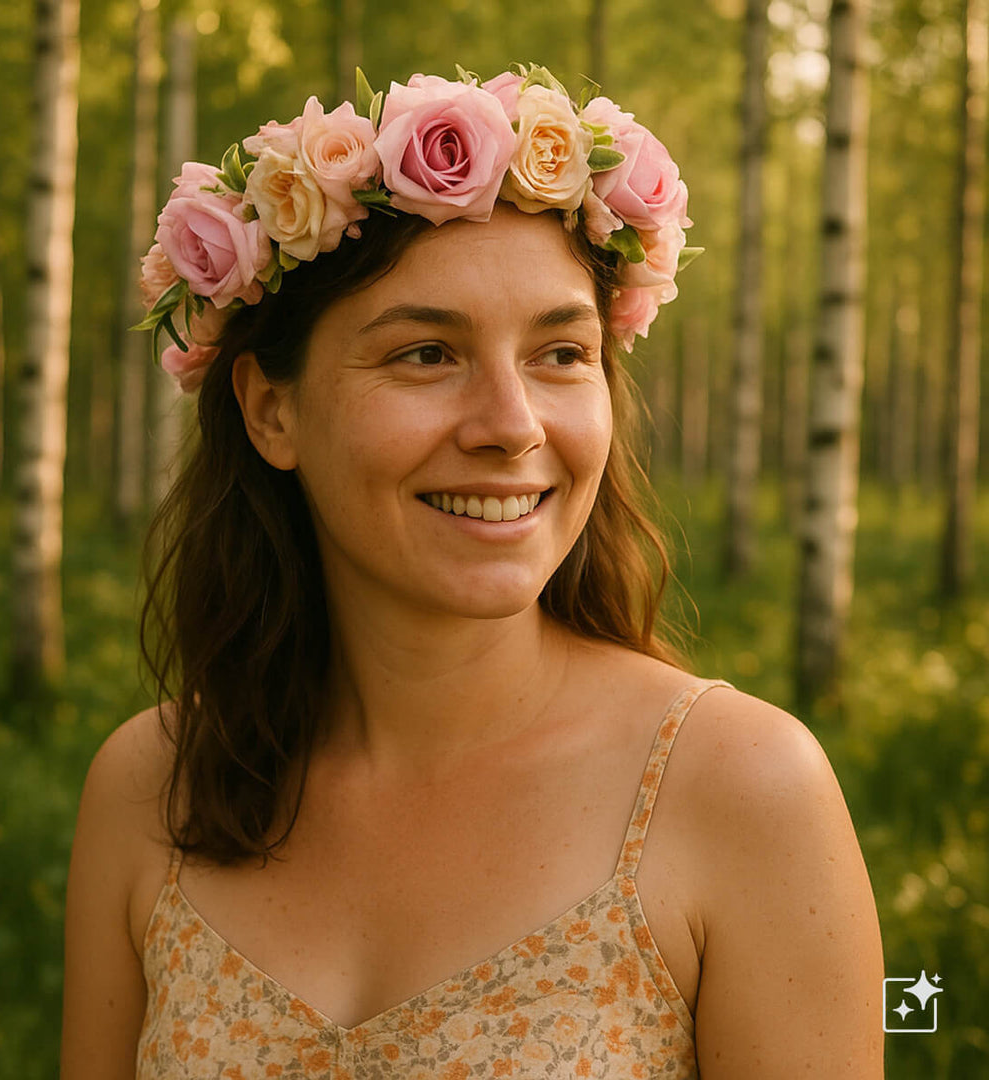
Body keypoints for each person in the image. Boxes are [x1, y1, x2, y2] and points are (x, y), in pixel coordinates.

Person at [60, 65, 885, 1079]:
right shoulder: (149, 788)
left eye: (561, 354)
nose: (511, 426)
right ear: (272, 411)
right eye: (425, 355)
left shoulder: (744, 794)